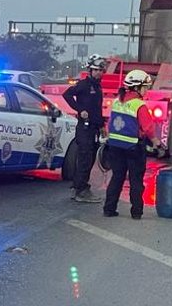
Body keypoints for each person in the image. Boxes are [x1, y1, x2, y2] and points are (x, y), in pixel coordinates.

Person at [102, 69, 156, 219]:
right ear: (137, 87)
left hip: (115, 146)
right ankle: (136, 212)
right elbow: (148, 128)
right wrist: (157, 142)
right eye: (145, 87)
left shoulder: (116, 102)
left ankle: (109, 209)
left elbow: (110, 123)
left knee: (117, 177)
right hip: (134, 148)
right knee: (136, 180)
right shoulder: (139, 105)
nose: (146, 90)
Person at [63, 54, 107, 203]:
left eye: (101, 70)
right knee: (84, 159)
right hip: (85, 129)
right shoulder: (84, 84)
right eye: (96, 70)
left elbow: (97, 109)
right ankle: (80, 190)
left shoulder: (97, 87)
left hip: (94, 128)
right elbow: (67, 94)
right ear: (90, 70)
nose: (98, 73)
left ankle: (80, 187)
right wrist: (79, 109)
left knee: (89, 159)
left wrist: (102, 126)